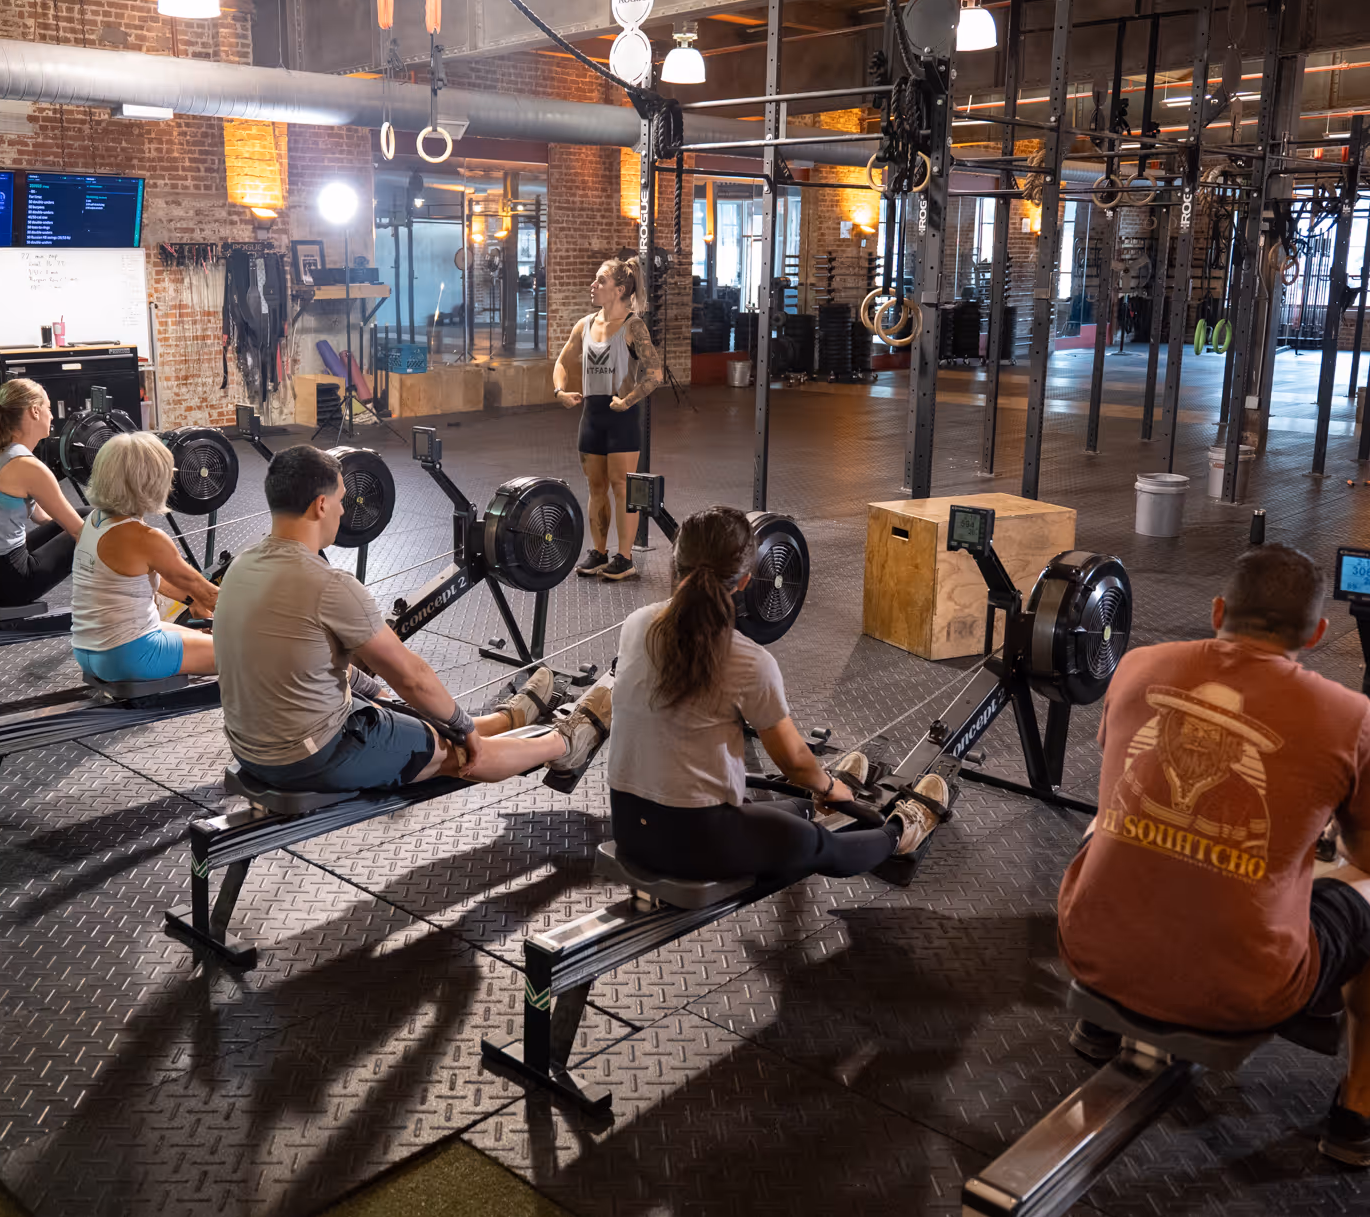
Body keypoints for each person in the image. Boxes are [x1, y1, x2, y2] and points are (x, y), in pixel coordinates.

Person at [1056, 543, 1370, 1168]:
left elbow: (1120, 766)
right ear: (1317, 632)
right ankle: (1360, 1110)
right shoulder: (1352, 719)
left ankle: (1103, 1021)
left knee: (1108, 816)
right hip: (1247, 994)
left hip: (1086, 950)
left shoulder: (1137, 665)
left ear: (1219, 608)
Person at [215, 444, 610, 793]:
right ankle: (565, 743)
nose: (342, 509)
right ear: (320, 505)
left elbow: (295, 656)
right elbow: (411, 677)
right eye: (341, 499)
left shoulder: (241, 566)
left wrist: (374, 693)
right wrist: (464, 729)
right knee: (464, 754)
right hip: (310, 756)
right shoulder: (329, 584)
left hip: (249, 748)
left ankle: (505, 719)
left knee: (409, 713)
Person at [608, 506, 949, 884]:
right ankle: (904, 831)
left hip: (628, 827)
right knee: (821, 847)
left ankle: (814, 803)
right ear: (745, 581)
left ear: (675, 563)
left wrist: (818, 786)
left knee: (792, 810)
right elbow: (795, 764)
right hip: (698, 841)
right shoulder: (749, 660)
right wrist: (829, 786)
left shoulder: (636, 623)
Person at [70, 431, 221, 680]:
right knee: (248, 652)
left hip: (88, 651)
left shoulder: (92, 522)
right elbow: (210, 595)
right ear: (151, 480)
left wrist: (193, 602)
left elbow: (146, 582)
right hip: (130, 654)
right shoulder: (146, 538)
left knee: (204, 637)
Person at [554, 256, 663, 582]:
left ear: (620, 289)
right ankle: (599, 552)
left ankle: (625, 558)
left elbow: (655, 373)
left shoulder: (633, 327)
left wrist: (629, 400)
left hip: (622, 418)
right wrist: (560, 391)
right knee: (595, 486)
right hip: (592, 417)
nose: (593, 286)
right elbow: (562, 361)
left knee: (621, 487)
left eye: (600, 281)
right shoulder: (584, 325)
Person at [0, 378, 84, 608]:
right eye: (49, 408)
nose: (52, 416)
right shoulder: (27, 466)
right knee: (93, 524)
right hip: (6, 585)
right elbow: (80, 531)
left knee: (85, 513)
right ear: (34, 411)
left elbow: (43, 518)